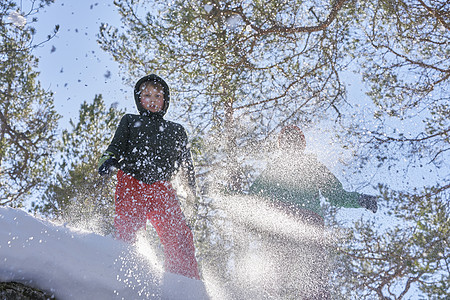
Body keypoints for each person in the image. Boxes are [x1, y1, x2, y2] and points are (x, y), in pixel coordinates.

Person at [248, 125, 377, 299]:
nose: (291, 145)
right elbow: (253, 198)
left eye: (294, 141)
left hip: (302, 222)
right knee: (282, 270)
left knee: (310, 272)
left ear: (301, 145)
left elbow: (336, 195)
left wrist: (361, 200)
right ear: (282, 146)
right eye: (288, 142)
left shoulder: (310, 166)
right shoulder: (277, 168)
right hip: (288, 221)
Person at [97, 74, 200, 280]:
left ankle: (185, 281)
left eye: (158, 95)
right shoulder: (130, 121)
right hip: (131, 182)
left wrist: (191, 192)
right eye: (146, 95)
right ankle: (126, 276)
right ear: (139, 99)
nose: (152, 99)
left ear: (165, 100)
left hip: (161, 187)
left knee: (178, 236)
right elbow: (115, 146)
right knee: (129, 230)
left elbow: (187, 166)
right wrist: (107, 160)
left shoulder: (176, 131)